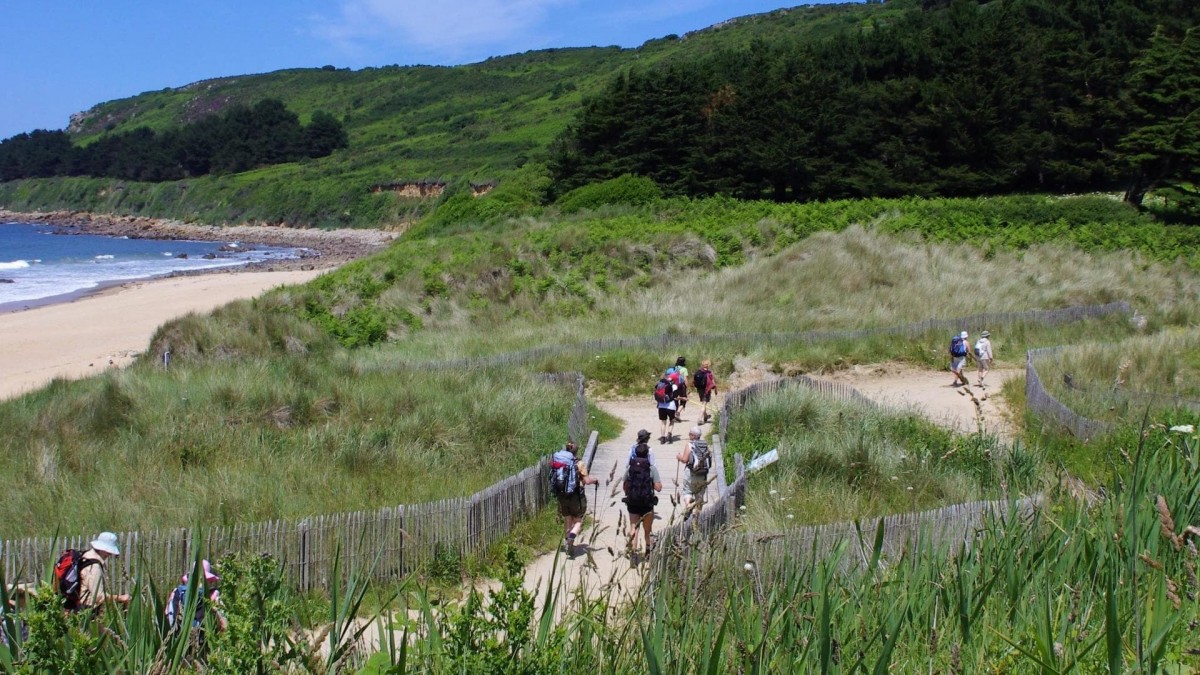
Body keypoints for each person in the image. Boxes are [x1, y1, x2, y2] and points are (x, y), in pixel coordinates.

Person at [550, 441, 598, 557]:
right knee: (578, 520)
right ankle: (571, 537)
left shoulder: (560, 462)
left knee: (567, 519)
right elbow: (586, 481)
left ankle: (567, 542)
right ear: (576, 451)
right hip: (576, 496)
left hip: (562, 495)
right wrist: (595, 480)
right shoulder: (579, 464)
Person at [166, 559, 228, 633]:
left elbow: (169, 618)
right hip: (204, 639)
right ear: (208, 580)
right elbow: (225, 625)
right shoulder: (214, 596)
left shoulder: (178, 593)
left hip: (180, 638)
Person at [622, 443, 662, 556]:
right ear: (647, 455)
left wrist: (629, 493)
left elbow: (625, 484)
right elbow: (658, 488)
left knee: (634, 527)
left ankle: (633, 553)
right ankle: (648, 551)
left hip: (633, 503)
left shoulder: (631, 467)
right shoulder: (651, 469)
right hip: (647, 504)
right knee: (647, 529)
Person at [78, 532, 132, 611]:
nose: (109, 553)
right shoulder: (94, 567)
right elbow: (99, 596)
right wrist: (121, 598)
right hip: (86, 610)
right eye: (107, 550)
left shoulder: (86, 556)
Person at [676, 427, 711, 518]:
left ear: (693, 435)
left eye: (690, 434)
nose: (689, 436)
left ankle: (688, 507)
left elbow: (684, 459)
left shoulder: (690, 445)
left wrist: (679, 456)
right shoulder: (705, 445)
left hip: (691, 473)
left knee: (688, 491)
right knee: (699, 496)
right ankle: (697, 515)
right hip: (702, 475)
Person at [655, 375, 678, 443]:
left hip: (661, 406)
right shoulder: (674, 386)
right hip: (671, 406)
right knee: (672, 420)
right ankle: (669, 433)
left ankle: (662, 437)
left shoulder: (660, 385)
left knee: (663, 422)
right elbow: (676, 397)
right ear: (674, 380)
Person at [693, 360, 718, 424]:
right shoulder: (709, 372)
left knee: (703, 403)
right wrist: (715, 389)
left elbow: (694, 381)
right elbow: (713, 381)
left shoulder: (698, 372)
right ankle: (700, 419)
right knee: (704, 404)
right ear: (708, 365)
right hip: (706, 390)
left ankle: (705, 416)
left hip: (700, 389)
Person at [667, 357, 690, 421]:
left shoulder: (672, 368)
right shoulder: (684, 369)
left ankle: (674, 414)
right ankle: (678, 413)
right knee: (683, 399)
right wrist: (687, 387)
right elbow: (685, 379)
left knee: (675, 399)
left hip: (673, 386)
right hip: (681, 386)